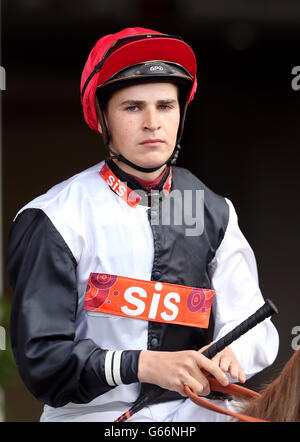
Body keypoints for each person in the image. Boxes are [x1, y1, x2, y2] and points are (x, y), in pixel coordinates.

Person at [6, 27, 279, 422]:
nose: (153, 122)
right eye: (133, 107)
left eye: (166, 106)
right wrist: (144, 365)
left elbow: (251, 322)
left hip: (197, 411)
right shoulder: (53, 217)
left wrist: (232, 350)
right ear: (102, 120)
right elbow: (43, 362)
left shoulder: (216, 210)